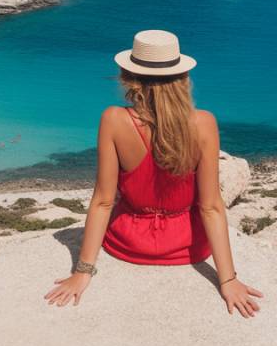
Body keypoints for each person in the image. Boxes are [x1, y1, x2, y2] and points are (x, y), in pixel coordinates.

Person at [45, 30, 262, 318]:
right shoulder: (203, 124)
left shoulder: (113, 119)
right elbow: (210, 206)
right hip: (188, 245)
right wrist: (228, 279)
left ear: (128, 77)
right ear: (182, 78)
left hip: (127, 243)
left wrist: (82, 272)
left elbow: (103, 201)